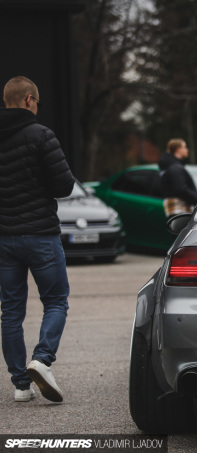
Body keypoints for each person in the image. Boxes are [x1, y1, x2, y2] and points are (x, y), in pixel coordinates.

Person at [0, 76, 75, 403]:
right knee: (56, 301)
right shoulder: (41, 135)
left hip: (4, 238)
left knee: (11, 311)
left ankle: (21, 385)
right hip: (40, 235)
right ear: (29, 99)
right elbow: (64, 186)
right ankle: (42, 360)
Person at [159, 138, 197, 217]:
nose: (187, 150)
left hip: (174, 210)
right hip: (180, 210)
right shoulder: (175, 168)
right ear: (178, 149)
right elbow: (181, 189)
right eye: (184, 147)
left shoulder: (170, 167)